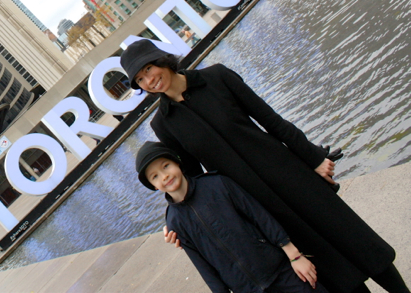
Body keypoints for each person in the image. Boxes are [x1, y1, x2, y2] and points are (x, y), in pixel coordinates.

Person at [120, 39, 409, 293]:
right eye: (140, 80)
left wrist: (313, 158)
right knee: (330, 268)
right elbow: (194, 180)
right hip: (258, 203)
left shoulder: (217, 77)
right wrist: (181, 221)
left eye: (148, 69)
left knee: (355, 241)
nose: (149, 80)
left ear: (161, 61)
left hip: (292, 175)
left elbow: (270, 120)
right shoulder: (164, 124)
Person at [137, 141, 327, 293]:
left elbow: (260, 216)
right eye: (155, 176)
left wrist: (294, 256)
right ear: (153, 186)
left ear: (177, 162)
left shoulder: (217, 184)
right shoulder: (174, 222)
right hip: (244, 288)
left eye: (166, 166)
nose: (164, 176)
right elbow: (203, 266)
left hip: (279, 270)